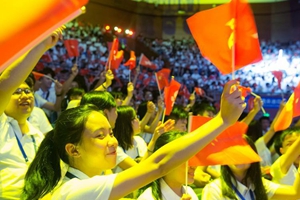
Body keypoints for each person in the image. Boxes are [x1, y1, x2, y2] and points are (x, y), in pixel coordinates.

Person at [22, 80, 246, 200]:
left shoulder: (84, 184)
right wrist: (221, 121)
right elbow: (159, 164)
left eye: (110, 133)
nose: (112, 142)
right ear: (73, 149)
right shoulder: (77, 191)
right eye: (100, 136)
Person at [0, 29, 63, 199]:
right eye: (17, 91)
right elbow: (4, 86)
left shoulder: (38, 135)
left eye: (28, 91)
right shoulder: (1, 125)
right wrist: (41, 46)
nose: (25, 96)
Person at [202, 135, 300, 200]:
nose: (237, 157)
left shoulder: (260, 185)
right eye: (232, 153)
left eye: (243, 153)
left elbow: (295, 194)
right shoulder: (214, 189)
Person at [137, 131, 198, 200]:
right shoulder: (147, 198)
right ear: (166, 162)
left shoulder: (190, 192)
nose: (194, 166)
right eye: (187, 159)